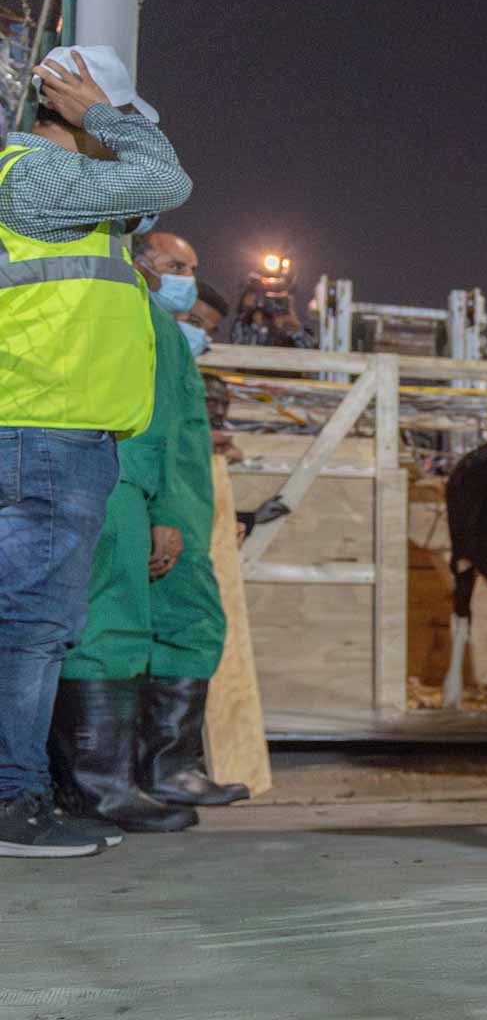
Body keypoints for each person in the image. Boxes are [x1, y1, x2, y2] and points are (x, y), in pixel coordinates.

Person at [0, 45, 192, 858]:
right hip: (42, 433)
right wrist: (100, 113)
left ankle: (25, 791)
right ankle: (13, 800)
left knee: (34, 626)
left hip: (56, 433)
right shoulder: (35, 177)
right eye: (119, 120)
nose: (125, 137)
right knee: (30, 629)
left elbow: (147, 202)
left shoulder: (71, 197)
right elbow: (168, 181)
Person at [49, 231, 250, 836]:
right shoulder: (126, 310)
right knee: (113, 622)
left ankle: (156, 768)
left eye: (192, 266)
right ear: (139, 261)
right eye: (175, 266)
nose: (185, 279)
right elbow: (134, 418)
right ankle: (100, 783)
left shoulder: (161, 329)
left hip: (170, 498)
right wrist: (154, 501)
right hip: (133, 488)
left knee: (180, 621)